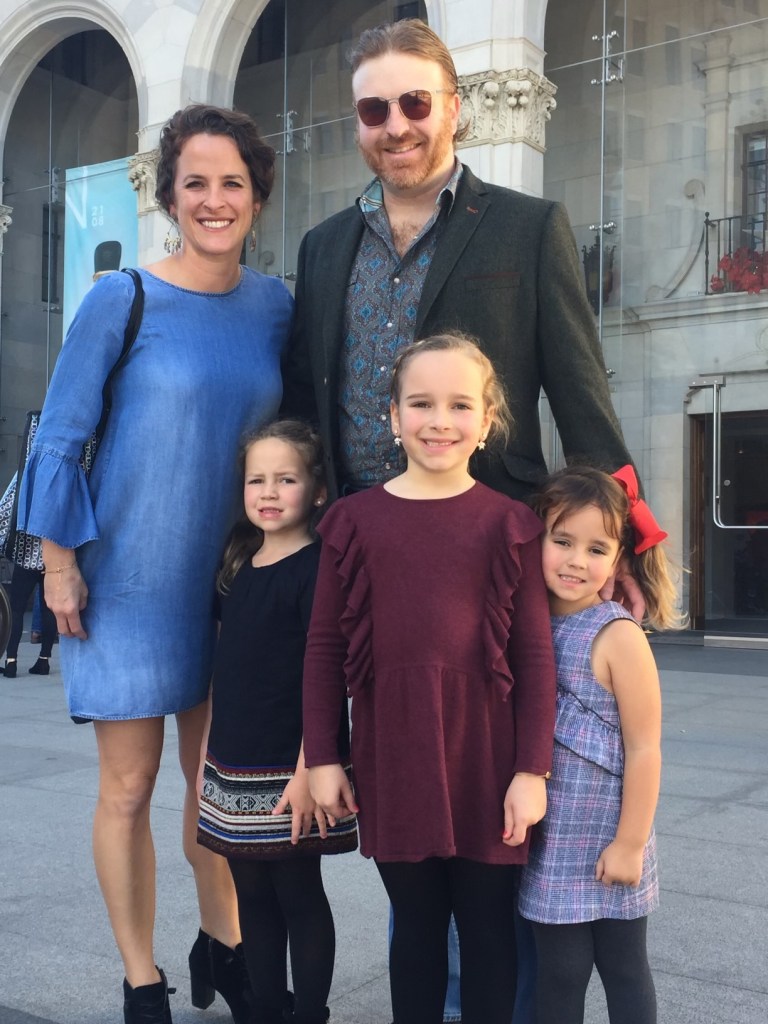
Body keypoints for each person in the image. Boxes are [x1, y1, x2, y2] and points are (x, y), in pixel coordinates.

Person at [279, 18, 638, 1023]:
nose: (394, 126)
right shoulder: (321, 247)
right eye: (373, 109)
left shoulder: (527, 226)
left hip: (493, 561)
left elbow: (581, 391)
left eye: (413, 104)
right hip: (368, 559)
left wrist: (621, 545)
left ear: (455, 109)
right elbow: (305, 404)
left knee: (497, 838)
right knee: (412, 834)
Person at [17, 104, 293, 1024]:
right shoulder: (120, 297)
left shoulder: (275, 306)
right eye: (195, 183)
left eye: (233, 183)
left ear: (257, 195)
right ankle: (142, 976)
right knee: (128, 787)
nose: (214, 201)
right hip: (128, 583)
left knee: (214, 785)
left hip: (230, 586)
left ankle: (225, 941)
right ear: (168, 195)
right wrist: (58, 565)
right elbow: (59, 438)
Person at [302, 335, 557, 1024]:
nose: (438, 420)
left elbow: (536, 657)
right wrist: (323, 756)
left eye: (458, 405)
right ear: (391, 416)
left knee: (487, 931)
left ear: (486, 419)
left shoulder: (512, 525)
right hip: (397, 757)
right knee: (414, 928)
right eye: (420, 403)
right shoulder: (351, 523)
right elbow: (324, 649)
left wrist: (532, 770)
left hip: (489, 763)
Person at [197, 419, 357, 1024]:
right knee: (252, 898)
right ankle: (265, 1009)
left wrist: (311, 767)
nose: (268, 491)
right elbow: (226, 671)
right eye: (256, 479)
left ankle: (310, 1013)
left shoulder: (318, 569)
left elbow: (329, 674)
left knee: (298, 896)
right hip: (232, 766)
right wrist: (206, 758)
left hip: (293, 766)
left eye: (285, 479)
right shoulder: (238, 562)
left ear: (316, 491)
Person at [518, 465, 680, 1024]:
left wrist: (631, 843)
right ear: (536, 539)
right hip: (551, 839)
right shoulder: (526, 626)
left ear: (617, 560)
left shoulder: (617, 635)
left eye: (595, 548)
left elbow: (645, 748)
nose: (575, 561)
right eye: (562, 541)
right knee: (558, 972)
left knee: (623, 966)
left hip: (611, 832)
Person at [3, 562, 57, 676]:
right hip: (51, 560)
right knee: (48, 610)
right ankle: (44, 659)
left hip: (27, 557)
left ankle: (11, 661)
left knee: (16, 610)